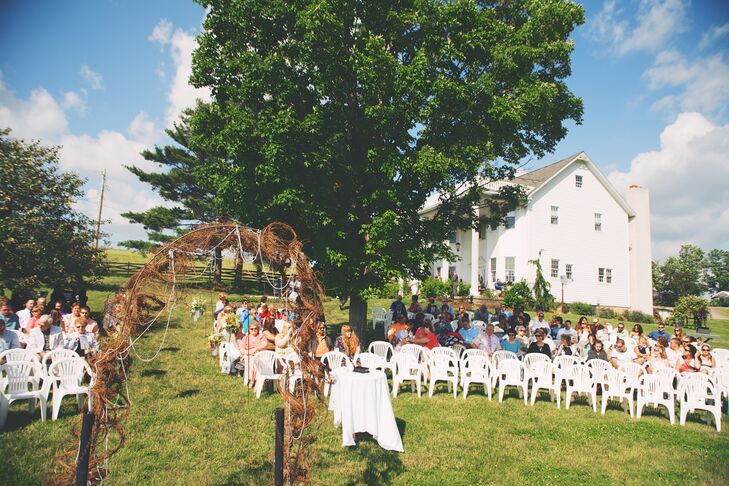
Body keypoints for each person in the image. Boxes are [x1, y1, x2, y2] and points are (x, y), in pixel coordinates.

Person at [238, 321, 269, 386]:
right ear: (249, 330)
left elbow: (264, 345)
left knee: (255, 361)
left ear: (258, 329)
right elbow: (241, 349)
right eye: (251, 329)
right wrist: (248, 352)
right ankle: (252, 380)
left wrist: (255, 349)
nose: (253, 330)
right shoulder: (246, 337)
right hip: (248, 355)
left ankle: (253, 380)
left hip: (259, 354)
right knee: (251, 360)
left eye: (255, 328)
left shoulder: (261, 336)